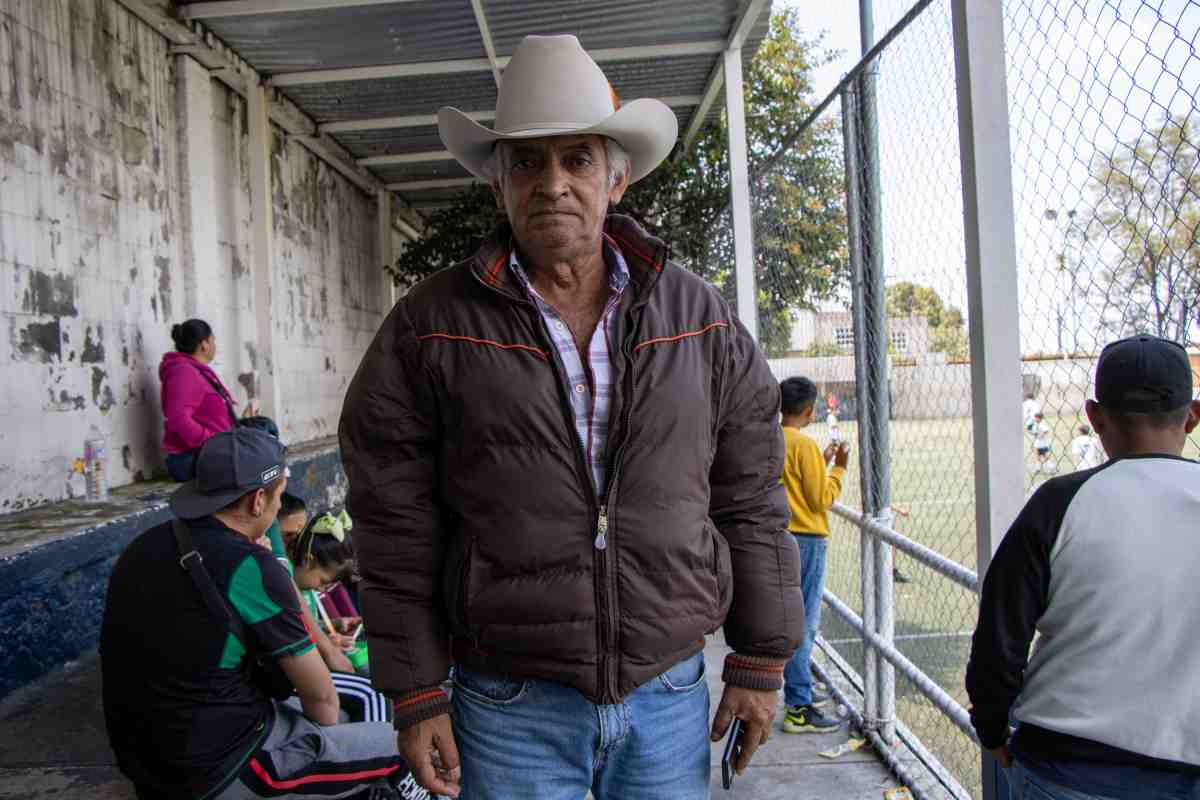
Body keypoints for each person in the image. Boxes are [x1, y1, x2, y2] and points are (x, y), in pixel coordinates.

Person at [340, 34, 803, 800]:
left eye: (577, 159)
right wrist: (416, 690)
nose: (552, 183)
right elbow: (394, 521)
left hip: (667, 693)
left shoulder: (698, 317)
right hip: (506, 702)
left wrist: (760, 658)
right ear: (499, 186)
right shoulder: (431, 326)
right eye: (526, 162)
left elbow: (750, 495)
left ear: (616, 179)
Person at [101, 427, 416, 799]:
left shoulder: (144, 545)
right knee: (404, 747)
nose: (279, 507)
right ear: (257, 501)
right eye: (279, 496)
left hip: (146, 762)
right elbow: (322, 700)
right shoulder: (249, 568)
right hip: (221, 767)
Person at [966, 335, 1200, 800]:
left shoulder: (1059, 502)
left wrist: (991, 729)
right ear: (1192, 416)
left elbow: (1000, 639)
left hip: (1066, 765)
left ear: (1094, 417)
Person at [776, 377, 848, 735]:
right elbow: (820, 499)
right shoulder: (803, 443)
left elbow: (792, 480)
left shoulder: (773, 438)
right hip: (808, 539)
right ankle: (798, 707)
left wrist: (821, 462)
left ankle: (799, 687)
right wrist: (838, 468)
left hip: (781, 538)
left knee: (790, 620)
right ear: (808, 410)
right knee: (804, 624)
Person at [160, 319, 254, 481]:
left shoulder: (196, 371)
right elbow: (178, 419)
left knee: (266, 439)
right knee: (263, 466)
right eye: (213, 341)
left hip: (208, 453)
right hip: (190, 459)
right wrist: (213, 442)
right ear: (204, 344)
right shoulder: (184, 372)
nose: (215, 345)